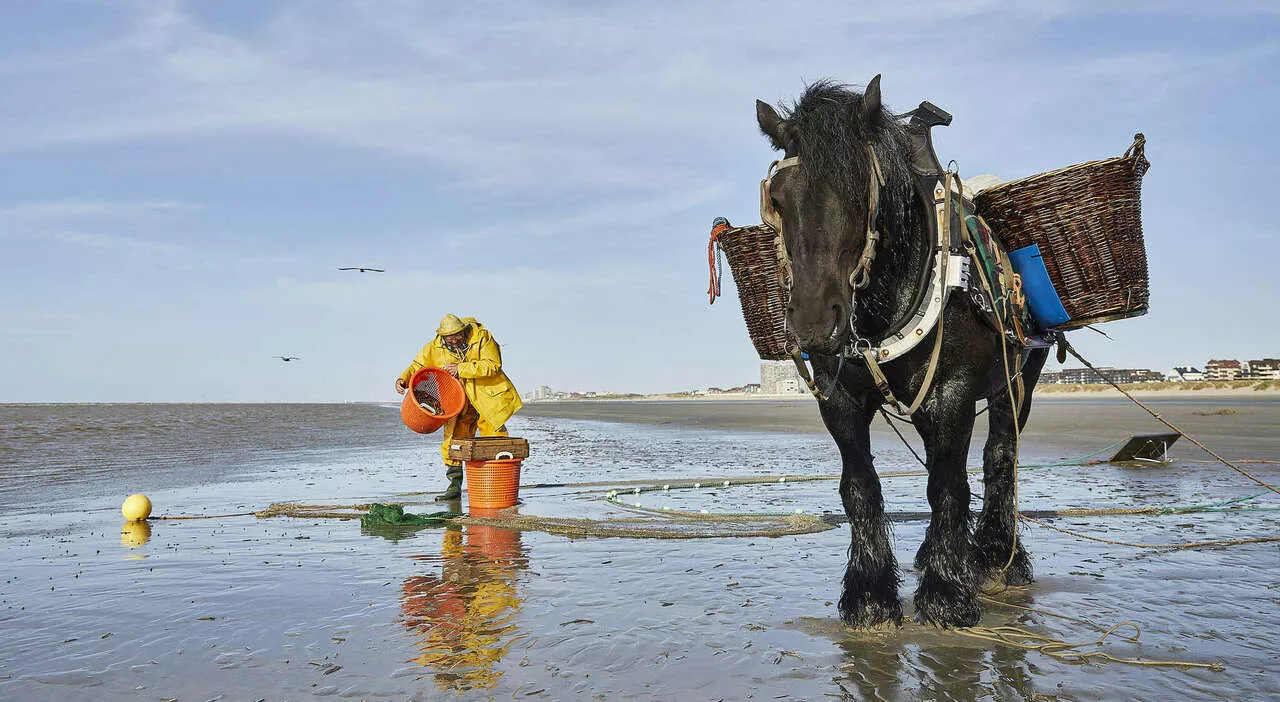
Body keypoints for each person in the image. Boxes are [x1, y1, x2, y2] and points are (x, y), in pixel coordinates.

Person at [396, 314, 522, 500]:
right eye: (449, 337)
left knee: (496, 439)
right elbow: (418, 365)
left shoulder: (483, 337)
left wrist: (460, 369)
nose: (453, 340)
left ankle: (501, 487)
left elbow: (493, 365)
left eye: (457, 335)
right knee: (454, 442)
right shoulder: (434, 346)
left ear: (464, 330)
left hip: (487, 399)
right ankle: (454, 487)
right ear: (442, 337)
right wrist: (403, 379)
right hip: (457, 402)